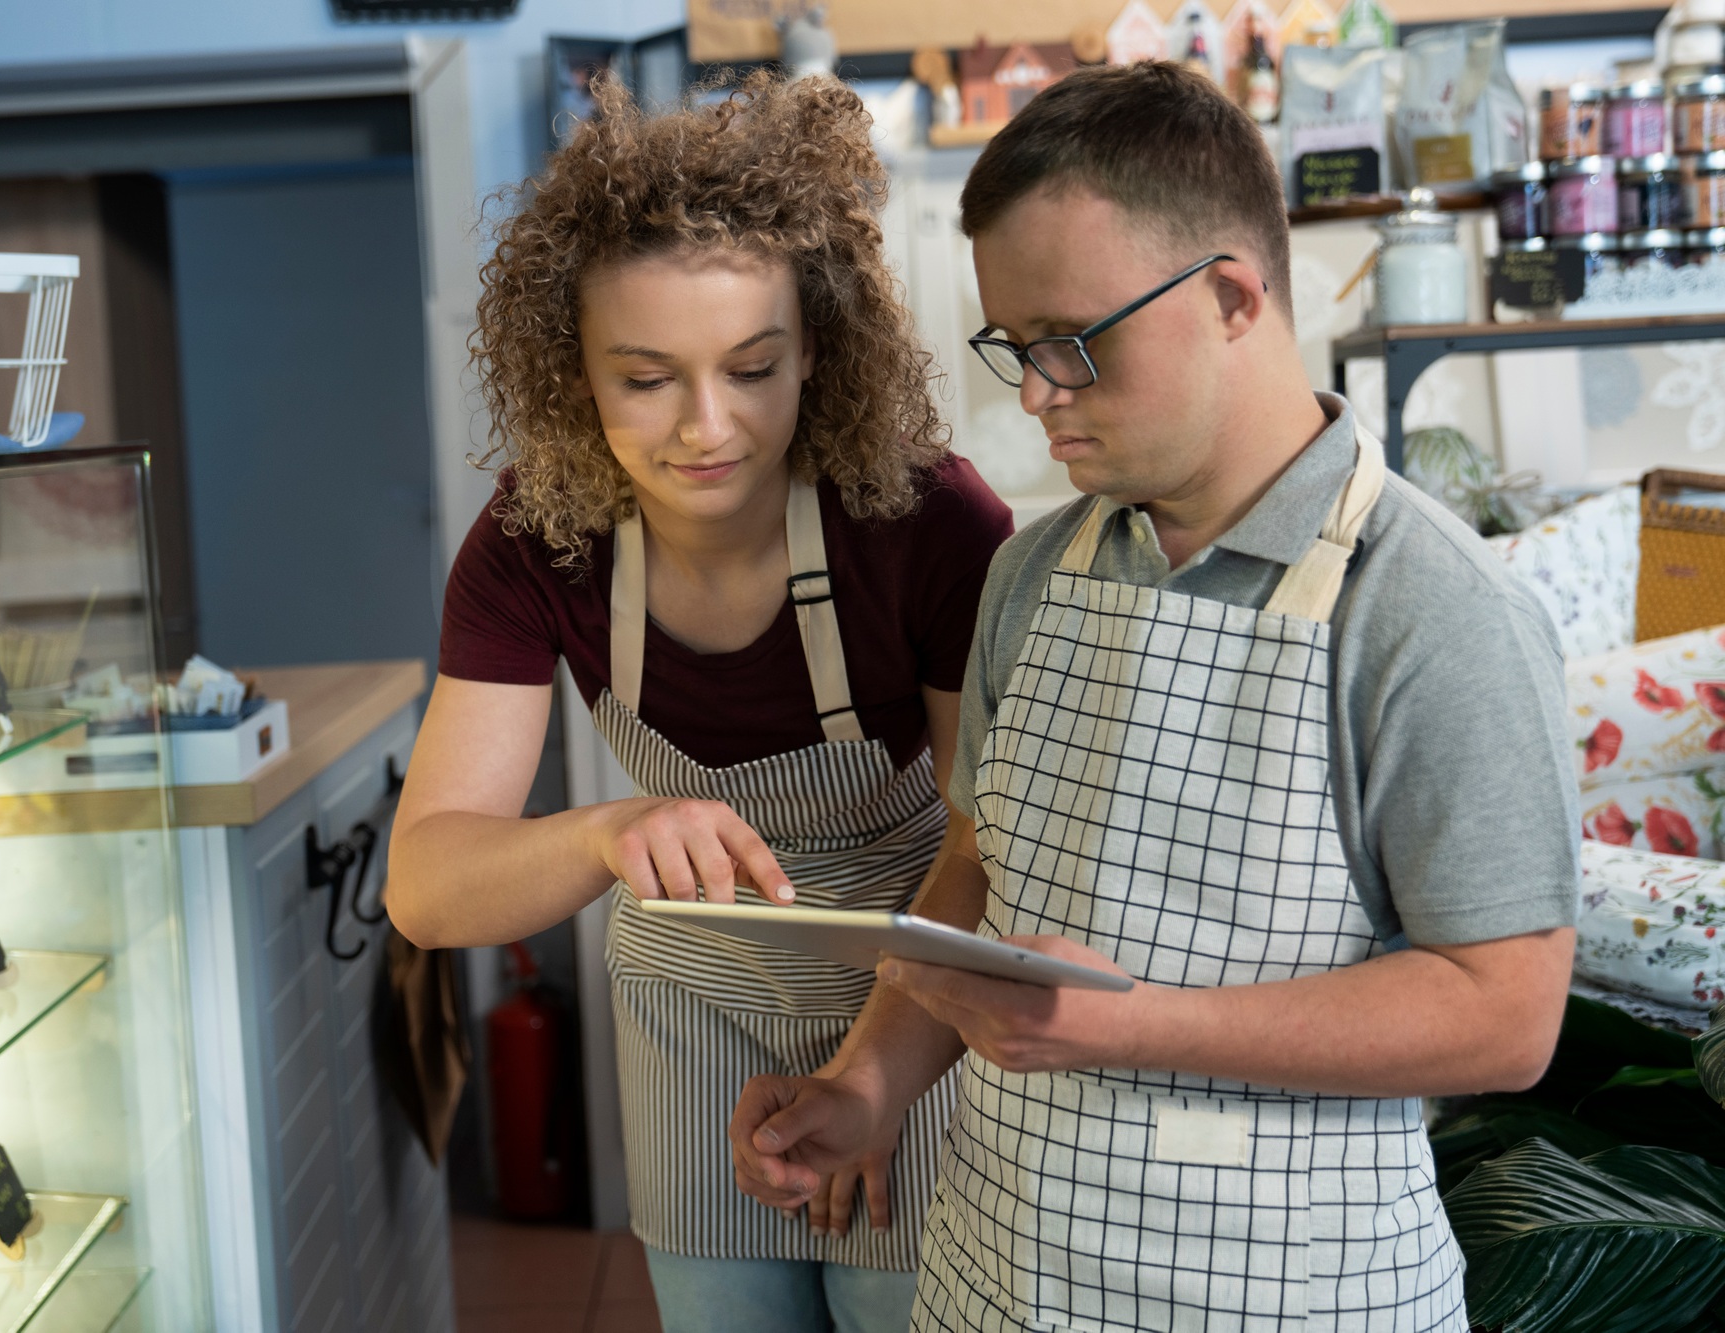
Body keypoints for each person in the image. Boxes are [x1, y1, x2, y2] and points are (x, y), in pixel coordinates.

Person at [729, 62, 1578, 1331]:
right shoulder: (1031, 569)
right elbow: (976, 865)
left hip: (1289, 1295)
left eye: (1070, 344)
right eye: (1013, 348)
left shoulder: (1430, 609)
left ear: (1232, 294)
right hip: (997, 1278)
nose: (1032, 395)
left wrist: (1129, 1024)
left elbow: (1503, 1014)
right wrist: (865, 1088)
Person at [385, 74, 1015, 1332]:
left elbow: (987, 836)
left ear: (817, 348)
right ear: (573, 374)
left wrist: (879, 1070)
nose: (706, 428)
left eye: (752, 367)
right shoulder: (532, 543)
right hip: (691, 1004)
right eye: (645, 379)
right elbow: (427, 886)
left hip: (910, 980)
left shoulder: (926, 521)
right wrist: (599, 834)